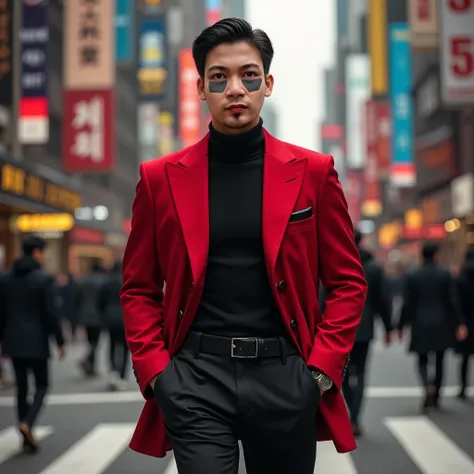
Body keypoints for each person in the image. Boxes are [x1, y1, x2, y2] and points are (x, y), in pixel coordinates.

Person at [120, 18, 367, 474]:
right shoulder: (159, 178)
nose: (236, 88)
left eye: (248, 75)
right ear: (200, 89)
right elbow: (137, 286)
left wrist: (318, 373)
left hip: (286, 375)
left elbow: (348, 282)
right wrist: (157, 373)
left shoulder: (314, 172)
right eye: (220, 78)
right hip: (194, 377)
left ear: (267, 84)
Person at [0, 236, 65, 452]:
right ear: (37, 252)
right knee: (42, 385)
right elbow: (51, 314)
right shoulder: (43, 279)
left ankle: (24, 427)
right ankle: (28, 422)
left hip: (13, 341)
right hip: (37, 342)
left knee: (21, 387)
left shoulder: (6, 278)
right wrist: (60, 341)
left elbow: (1, 313)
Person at [398, 243, 467, 410]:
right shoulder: (445, 274)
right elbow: (452, 301)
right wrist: (460, 323)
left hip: (419, 322)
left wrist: (400, 326)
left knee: (422, 358)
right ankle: (436, 392)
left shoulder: (413, 275)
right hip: (442, 323)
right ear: (436, 255)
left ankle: (426, 385)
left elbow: (407, 303)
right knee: (440, 359)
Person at [342, 229, 392, 436]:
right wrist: (389, 328)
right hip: (364, 327)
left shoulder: (337, 261)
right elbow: (382, 300)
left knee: (342, 374)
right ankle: (355, 418)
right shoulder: (372, 268)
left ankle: (350, 414)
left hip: (340, 328)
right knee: (361, 373)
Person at [98, 260, 129, 391]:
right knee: (125, 348)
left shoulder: (107, 282)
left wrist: (104, 314)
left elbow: (100, 302)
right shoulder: (126, 281)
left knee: (111, 345)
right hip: (125, 319)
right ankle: (122, 374)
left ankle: (112, 372)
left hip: (110, 318)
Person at [455, 248, 474, 399]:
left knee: (465, 358)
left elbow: (456, 303)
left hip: (466, 322)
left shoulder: (461, 278)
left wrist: (460, 323)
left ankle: (463, 388)